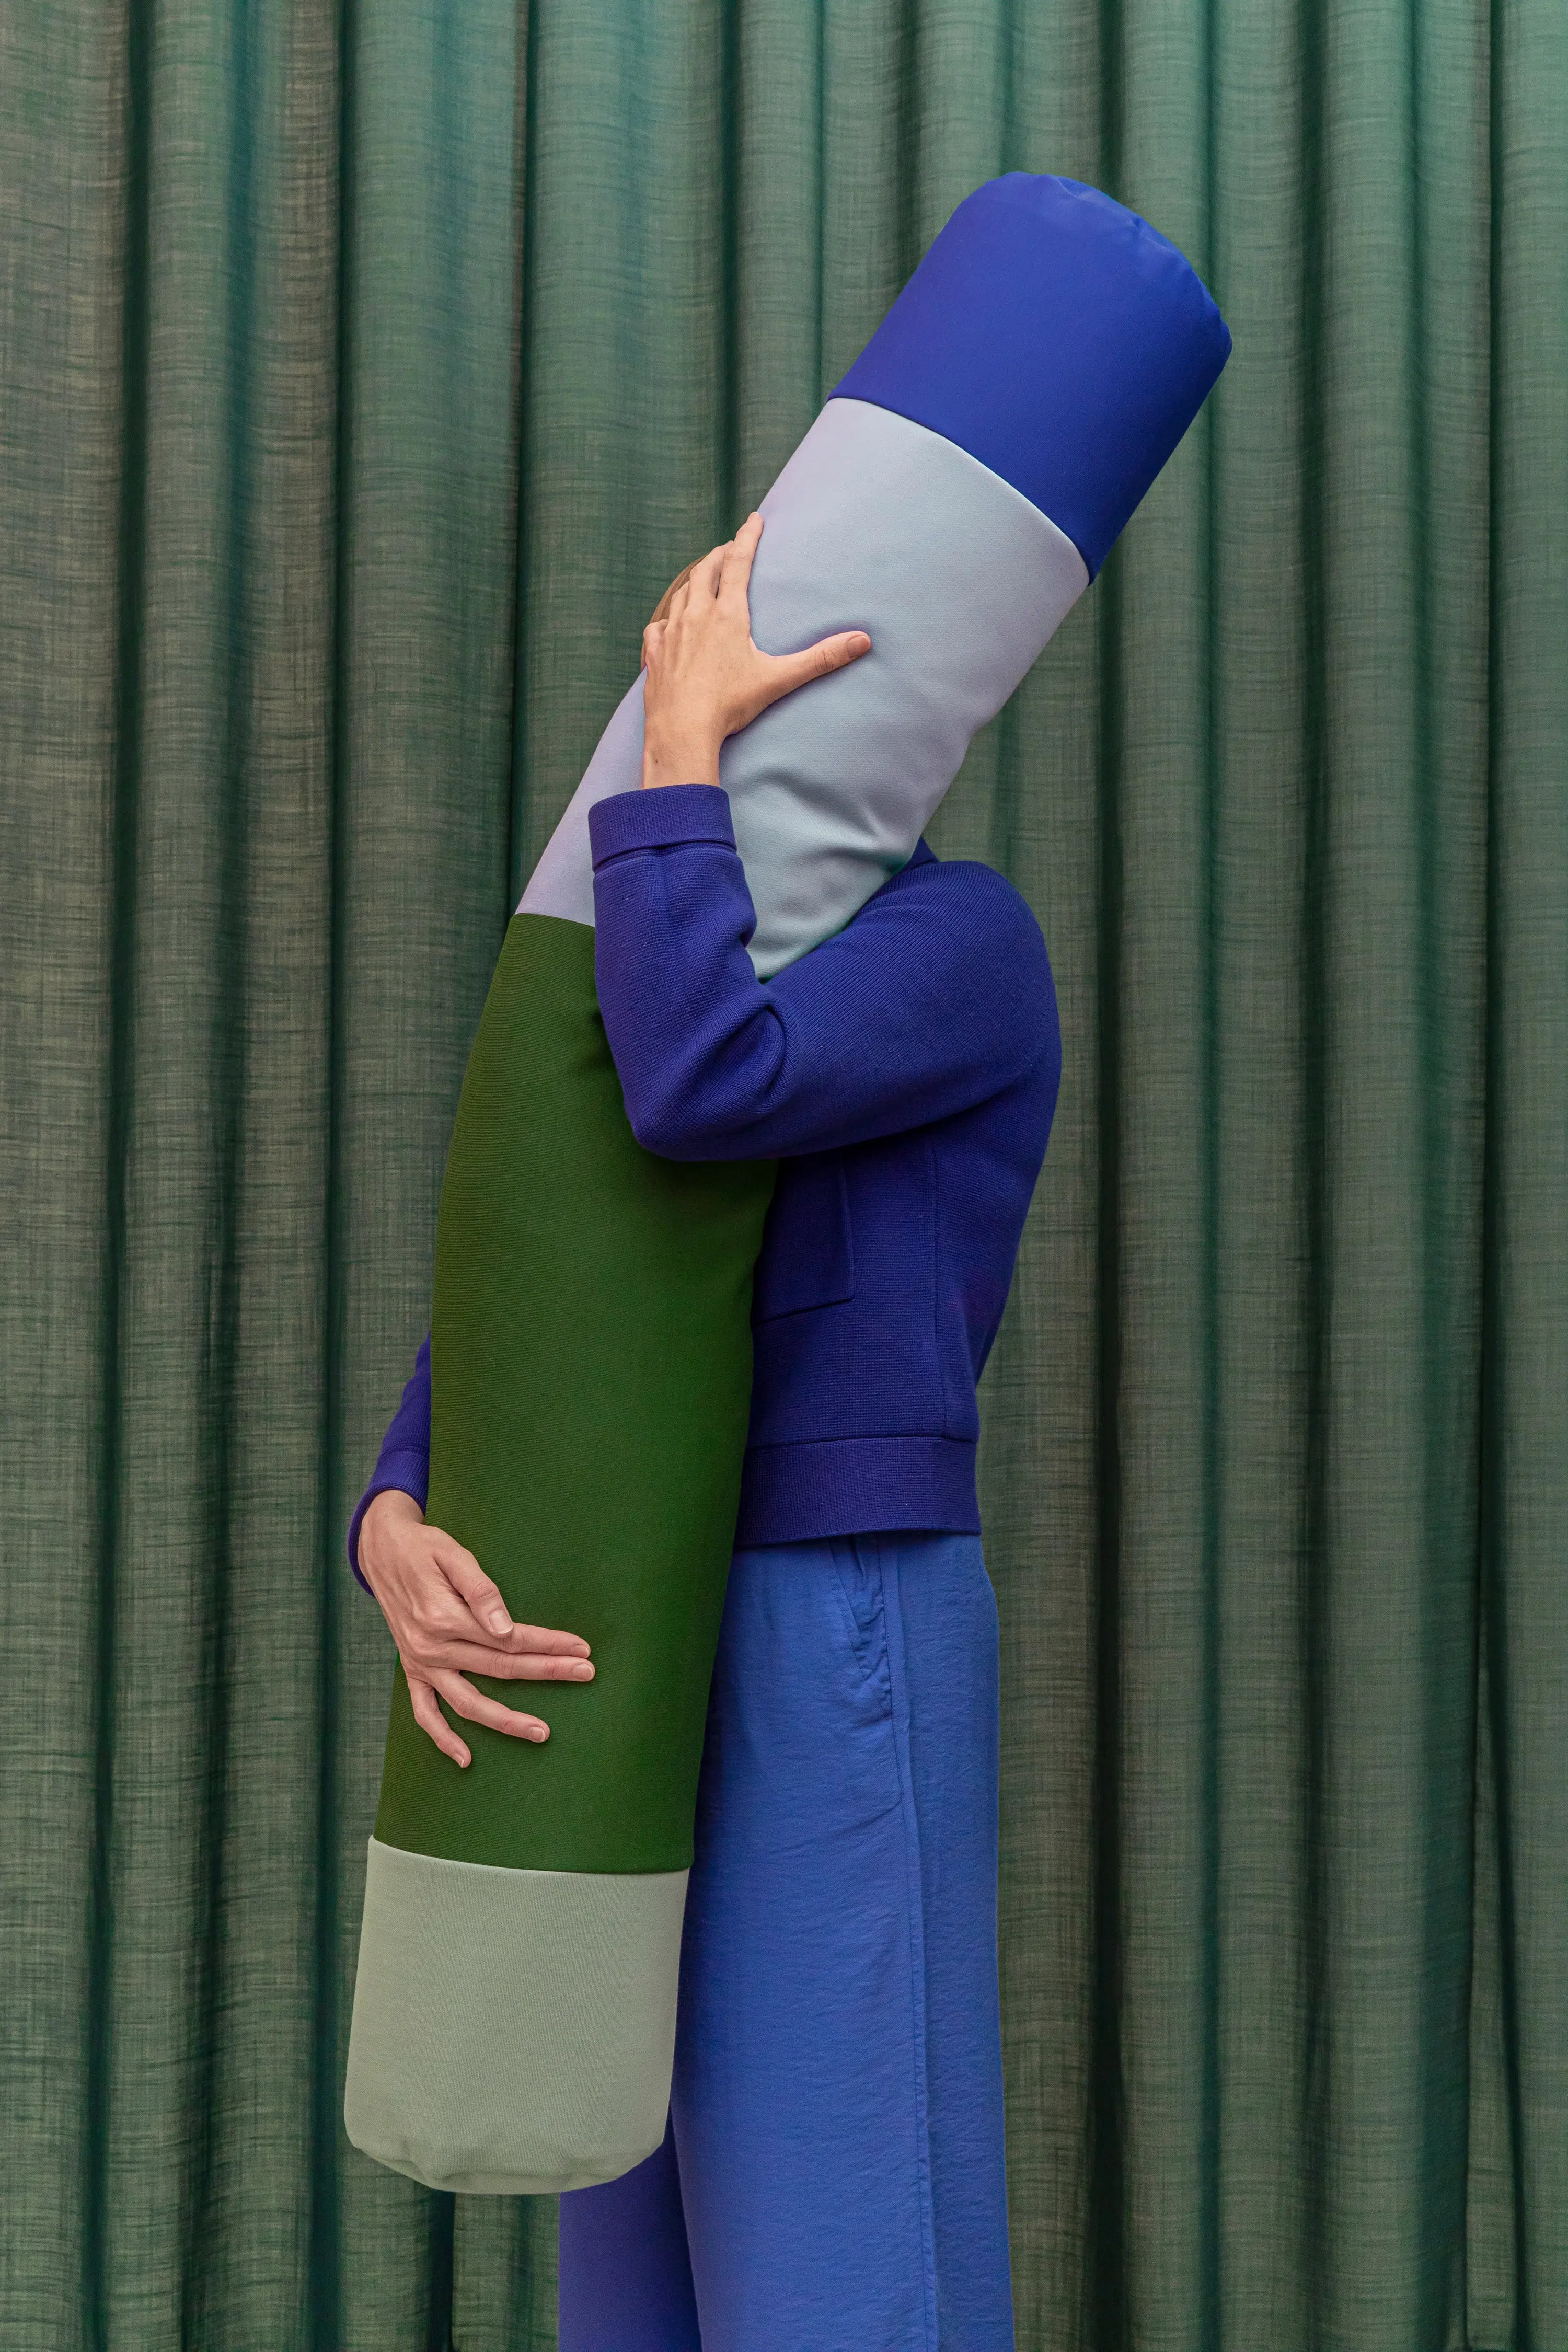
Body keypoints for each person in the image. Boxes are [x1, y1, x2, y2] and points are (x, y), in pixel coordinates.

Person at [351, 515, 1060, 2352]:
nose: (714, 722)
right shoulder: (663, 942)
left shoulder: (965, 943)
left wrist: (675, 769)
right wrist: (396, 1509)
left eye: (740, 693)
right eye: (688, 691)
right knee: (632, 2255)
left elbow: (697, 1085)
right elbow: (557, 1262)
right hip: (634, 1599)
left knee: (841, 2255)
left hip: (837, 1605)